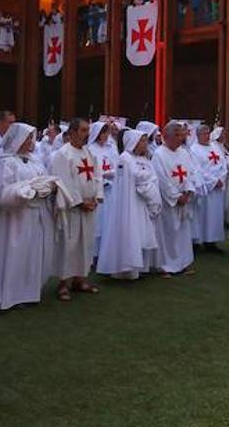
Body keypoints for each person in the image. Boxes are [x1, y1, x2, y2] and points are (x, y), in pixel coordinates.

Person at [0, 123, 57, 311]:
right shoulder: (7, 162)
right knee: (15, 254)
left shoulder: (35, 161)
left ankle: (29, 292)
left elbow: (45, 180)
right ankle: (12, 294)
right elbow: (3, 193)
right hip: (15, 218)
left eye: (32, 138)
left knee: (31, 254)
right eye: (27, 138)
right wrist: (28, 190)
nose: (30, 142)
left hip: (36, 215)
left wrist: (49, 188)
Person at [47, 117, 103, 300]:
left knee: (86, 244)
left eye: (88, 130)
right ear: (71, 133)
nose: (86, 134)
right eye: (83, 130)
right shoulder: (63, 154)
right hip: (71, 208)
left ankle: (80, 279)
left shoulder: (89, 153)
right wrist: (80, 201)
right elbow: (63, 181)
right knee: (68, 244)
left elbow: (97, 175)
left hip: (88, 205)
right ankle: (63, 283)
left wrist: (96, 197)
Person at [96, 129, 161, 280]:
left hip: (141, 202)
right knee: (129, 232)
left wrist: (149, 178)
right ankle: (125, 269)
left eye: (146, 140)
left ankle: (139, 268)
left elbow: (149, 175)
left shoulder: (143, 158)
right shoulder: (125, 158)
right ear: (134, 142)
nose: (146, 144)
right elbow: (136, 176)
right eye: (143, 141)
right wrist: (149, 177)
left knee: (140, 234)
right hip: (128, 203)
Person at [150, 121, 198, 276]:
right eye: (177, 135)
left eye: (181, 134)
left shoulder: (184, 152)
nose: (180, 138)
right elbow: (161, 179)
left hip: (184, 198)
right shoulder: (159, 154)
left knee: (183, 232)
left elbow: (190, 173)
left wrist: (188, 192)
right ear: (167, 136)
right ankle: (165, 265)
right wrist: (176, 196)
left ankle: (182, 263)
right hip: (168, 201)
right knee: (168, 233)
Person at [189, 124, 228, 253]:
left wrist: (221, 179)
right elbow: (197, 170)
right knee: (202, 215)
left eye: (207, 133)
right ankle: (197, 241)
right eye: (203, 134)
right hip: (205, 188)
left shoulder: (215, 147)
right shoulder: (194, 150)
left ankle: (211, 241)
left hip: (217, 188)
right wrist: (213, 181)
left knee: (215, 215)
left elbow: (223, 164)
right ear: (198, 135)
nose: (206, 136)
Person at [86, 120, 118, 256]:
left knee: (108, 221)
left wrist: (112, 174)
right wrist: (102, 177)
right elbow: (89, 170)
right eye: (103, 132)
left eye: (107, 132)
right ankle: (94, 253)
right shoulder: (90, 150)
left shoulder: (111, 148)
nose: (106, 135)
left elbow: (116, 165)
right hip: (97, 190)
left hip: (110, 190)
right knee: (97, 223)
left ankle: (107, 252)